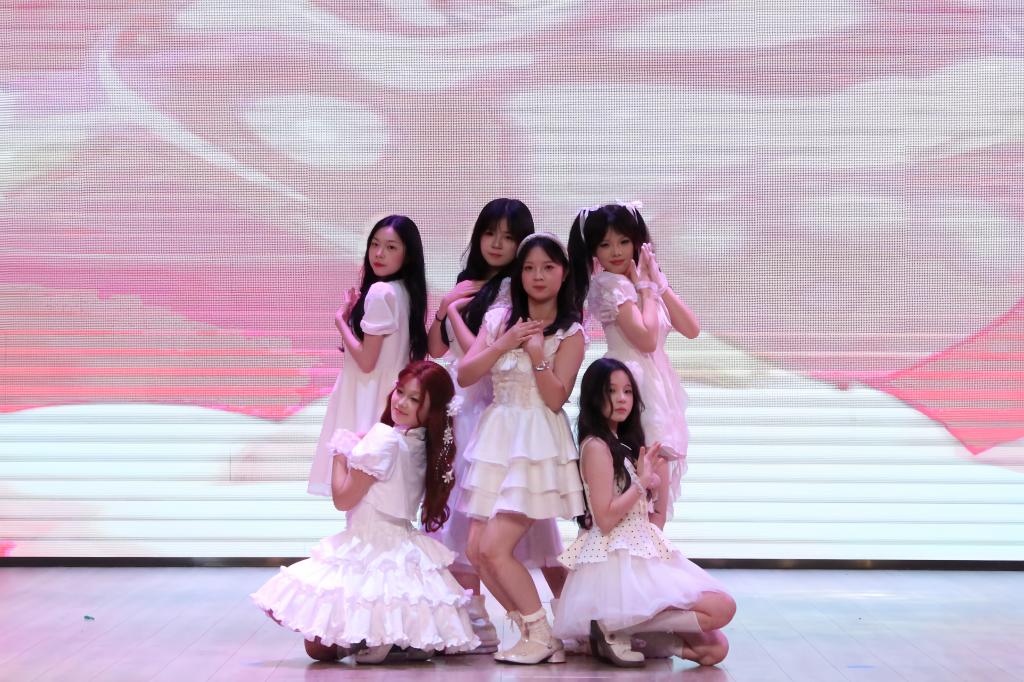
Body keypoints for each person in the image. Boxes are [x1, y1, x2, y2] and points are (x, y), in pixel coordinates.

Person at [252, 360, 479, 663]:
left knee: (314, 643)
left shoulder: (384, 438)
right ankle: (396, 639)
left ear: (431, 410)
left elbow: (343, 499)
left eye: (414, 399)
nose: (401, 402)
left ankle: (379, 637)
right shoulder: (423, 446)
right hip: (403, 546)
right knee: (327, 636)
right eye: (400, 391)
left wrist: (339, 453)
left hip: (368, 544)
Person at [456, 232, 586, 664]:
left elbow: (555, 398)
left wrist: (536, 354)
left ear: (563, 273)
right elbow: (466, 373)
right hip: (497, 438)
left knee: (495, 548)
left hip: (536, 442)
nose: (537, 276)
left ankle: (542, 633)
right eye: (529, 268)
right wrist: (503, 342)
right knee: (476, 551)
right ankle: (533, 632)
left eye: (547, 267)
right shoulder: (499, 319)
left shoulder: (571, 333)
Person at [553, 358, 734, 668]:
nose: (622, 398)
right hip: (619, 559)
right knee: (721, 607)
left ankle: (620, 631)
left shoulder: (626, 446)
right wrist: (640, 484)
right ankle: (614, 625)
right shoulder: (596, 446)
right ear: (595, 396)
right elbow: (605, 520)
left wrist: (656, 478)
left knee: (716, 650)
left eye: (627, 391)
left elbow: (651, 518)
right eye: (611, 391)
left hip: (644, 550)